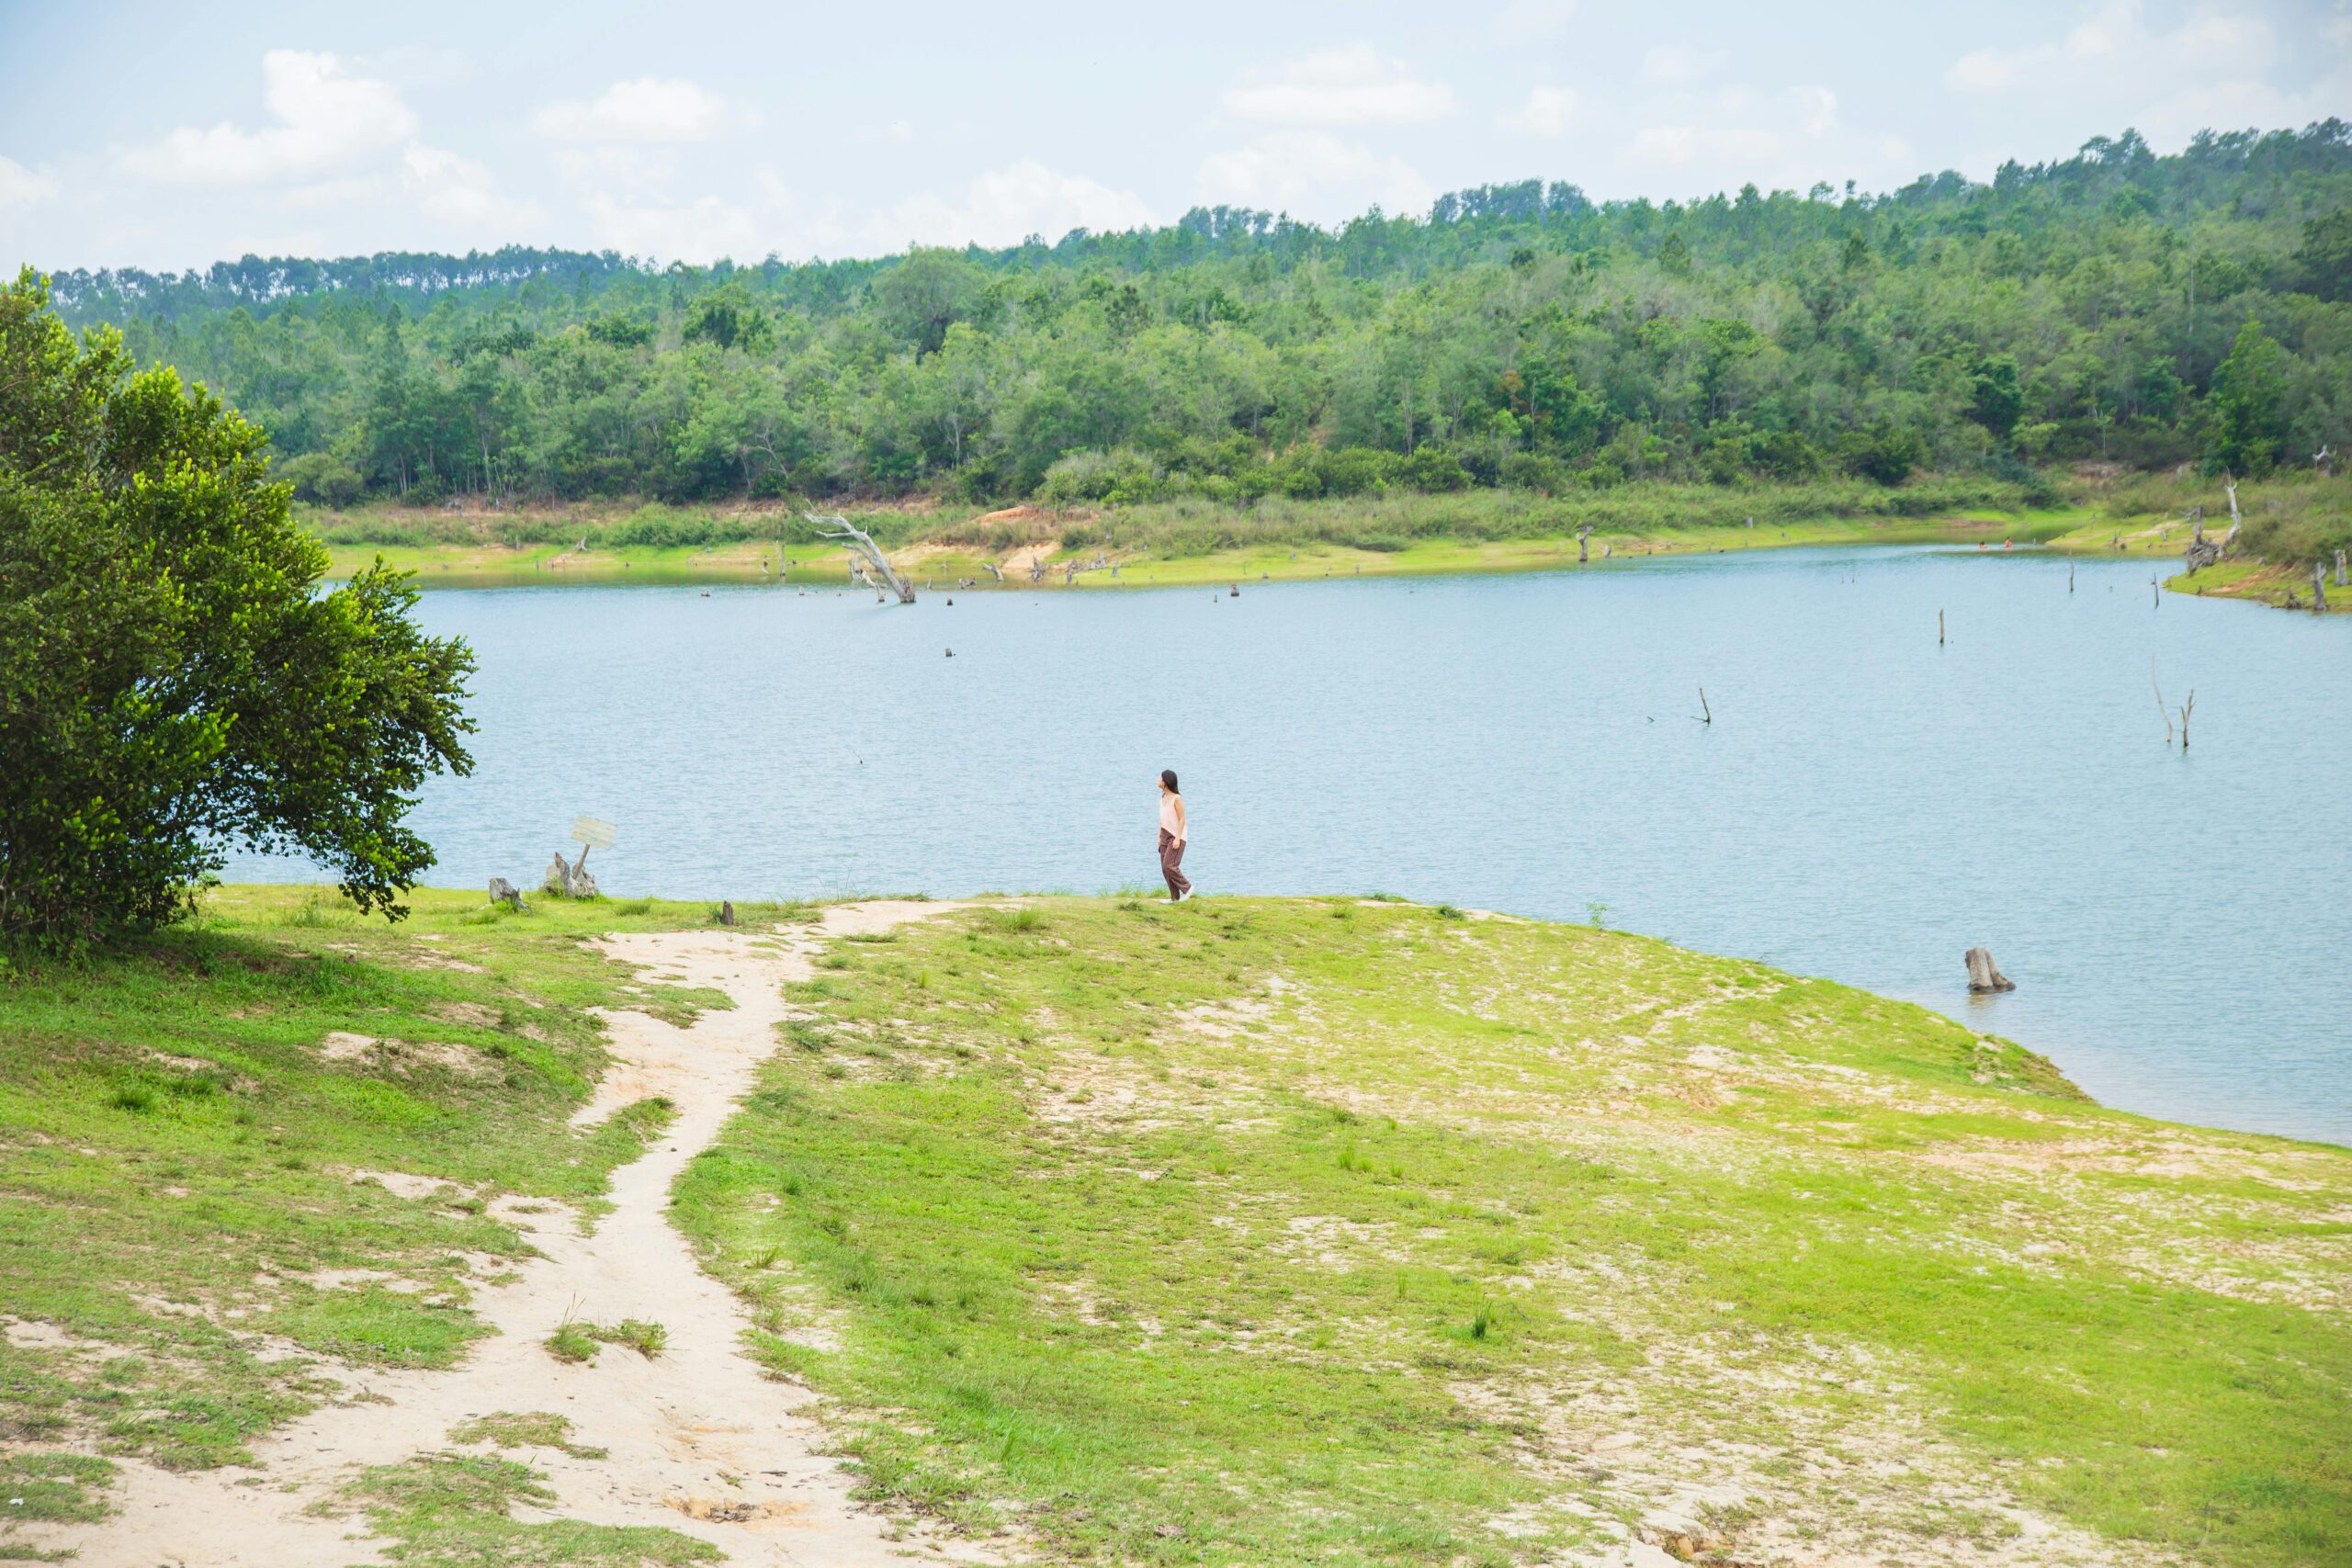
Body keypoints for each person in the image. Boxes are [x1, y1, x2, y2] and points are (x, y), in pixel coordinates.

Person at [1157, 770, 1192, 902]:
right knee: (1164, 869)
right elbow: (1162, 819)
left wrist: (1177, 838)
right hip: (1165, 835)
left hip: (1176, 835)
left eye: (1160, 778)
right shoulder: (1162, 798)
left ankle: (1187, 888)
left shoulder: (1177, 798)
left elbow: (1182, 819)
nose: (1158, 780)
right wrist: (1159, 837)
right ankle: (1174, 898)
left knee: (1169, 865)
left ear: (1165, 781)